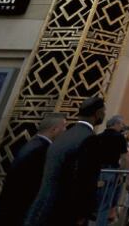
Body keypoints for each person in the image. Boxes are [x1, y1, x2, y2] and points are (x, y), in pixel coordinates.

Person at [25, 95, 106, 226]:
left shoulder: (64, 135)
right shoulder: (90, 139)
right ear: (97, 113)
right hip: (67, 209)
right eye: (104, 111)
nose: (104, 114)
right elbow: (85, 178)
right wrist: (83, 212)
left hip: (45, 205)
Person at [0, 112, 65, 226]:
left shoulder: (32, 144)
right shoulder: (42, 150)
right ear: (54, 129)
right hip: (19, 209)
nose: (65, 130)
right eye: (63, 127)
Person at [80, 114, 129, 226]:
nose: (122, 127)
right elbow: (124, 157)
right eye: (121, 124)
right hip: (112, 172)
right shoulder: (119, 137)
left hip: (98, 172)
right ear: (116, 124)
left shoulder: (98, 136)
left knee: (95, 202)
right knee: (105, 204)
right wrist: (121, 174)